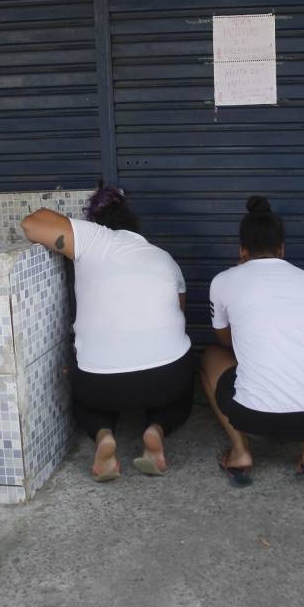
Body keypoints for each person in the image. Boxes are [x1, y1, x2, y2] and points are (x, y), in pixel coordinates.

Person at [20, 185, 195, 482]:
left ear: (98, 224)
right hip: (167, 379)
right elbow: (179, 313)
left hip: (100, 385)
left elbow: (31, 223)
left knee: (83, 391)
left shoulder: (94, 238)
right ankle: (156, 430)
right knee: (180, 387)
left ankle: (103, 436)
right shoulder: (164, 258)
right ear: (134, 225)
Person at [200, 196, 304, 487]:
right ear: (282, 249)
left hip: (256, 417)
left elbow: (224, 339)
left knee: (210, 357)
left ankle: (240, 452)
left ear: (241, 251)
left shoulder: (222, 281)